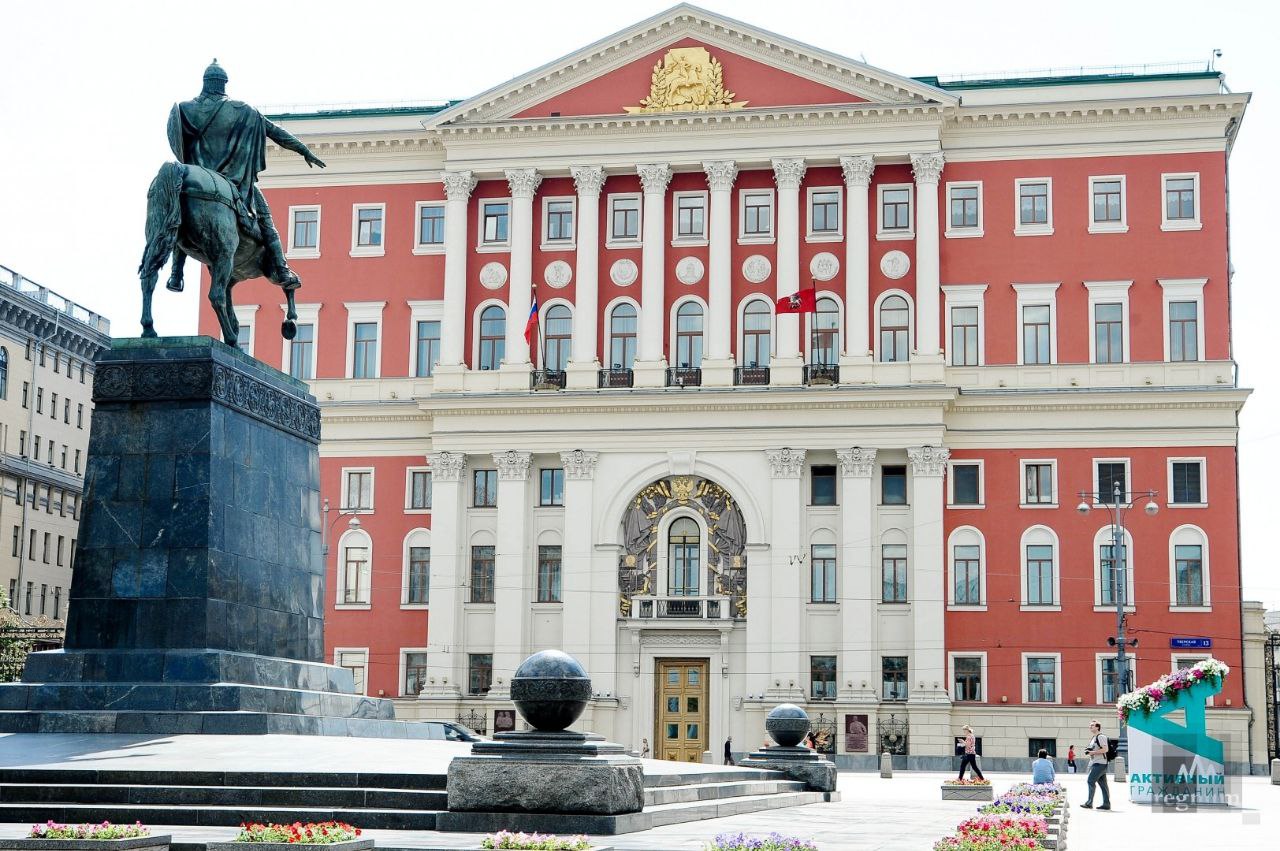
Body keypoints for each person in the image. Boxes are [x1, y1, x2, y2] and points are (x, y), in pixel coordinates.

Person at [165, 60, 326, 292]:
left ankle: (176, 274)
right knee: (266, 221)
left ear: (205, 83)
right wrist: (304, 151)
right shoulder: (242, 110)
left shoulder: (184, 109)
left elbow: (178, 143)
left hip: (196, 176)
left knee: (179, 212)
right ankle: (281, 269)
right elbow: (275, 132)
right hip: (233, 180)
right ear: (223, 84)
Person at [1081, 721, 1112, 810]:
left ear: (1097, 727)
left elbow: (1105, 749)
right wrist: (1088, 751)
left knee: (1090, 781)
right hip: (1096, 763)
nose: (1090, 727)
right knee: (1103, 785)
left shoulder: (1101, 737)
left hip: (1100, 763)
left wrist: (1093, 752)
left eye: (1092, 725)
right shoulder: (1094, 738)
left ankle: (1089, 803)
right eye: (1090, 725)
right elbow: (1093, 749)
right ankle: (1106, 804)